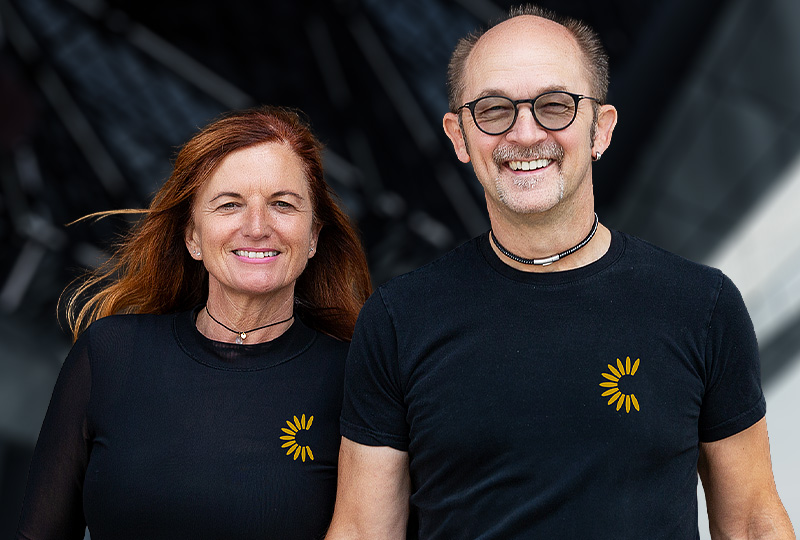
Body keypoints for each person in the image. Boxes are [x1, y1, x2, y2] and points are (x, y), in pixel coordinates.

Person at [326, 5, 795, 539]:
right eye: (494, 110)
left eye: (555, 106)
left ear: (601, 129)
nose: (525, 133)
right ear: (459, 136)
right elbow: (363, 530)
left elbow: (755, 522)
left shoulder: (701, 305)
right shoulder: (397, 318)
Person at [16, 106, 372, 539]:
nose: (257, 227)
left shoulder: (357, 378)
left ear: (313, 236)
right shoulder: (111, 354)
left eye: (282, 204)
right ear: (193, 237)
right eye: (229, 204)